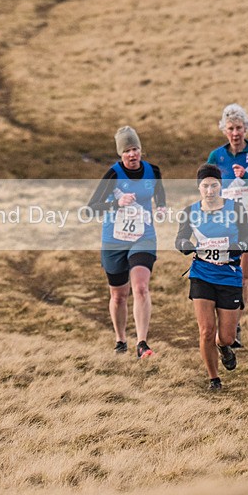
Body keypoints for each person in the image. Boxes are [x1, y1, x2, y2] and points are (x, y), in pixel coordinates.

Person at [175, 163, 248, 392]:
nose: (210, 191)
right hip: (202, 274)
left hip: (229, 275)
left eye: (214, 186)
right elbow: (180, 238)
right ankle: (214, 379)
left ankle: (224, 348)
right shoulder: (190, 212)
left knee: (227, 337)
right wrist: (184, 245)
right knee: (206, 330)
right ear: (198, 187)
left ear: (220, 186)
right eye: (205, 186)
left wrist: (237, 247)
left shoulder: (236, 208)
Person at [87, 126, 166, 358]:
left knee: (140, 287)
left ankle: (142, 342)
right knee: (118, 295)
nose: (132, 154)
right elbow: (92, 207)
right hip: (114, 240)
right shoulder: (113, 174)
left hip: (143, 237)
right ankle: (121, 339)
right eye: (127, 151)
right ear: (120, 154)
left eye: (135, 149)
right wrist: (116, 204)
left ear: (141, 149)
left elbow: (159, 194)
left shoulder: (153, 171)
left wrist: (161, 207)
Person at [207, 103, 248, 347]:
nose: (235, 133)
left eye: (239, 128)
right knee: (222, 274)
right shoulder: (217, 156)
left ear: (246, 129)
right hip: (222, 225)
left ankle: (234, 327)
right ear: (225, 131)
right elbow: (205, 187)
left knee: (242, 278)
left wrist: (247, 177)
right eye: (231, 128)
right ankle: (222, 324)